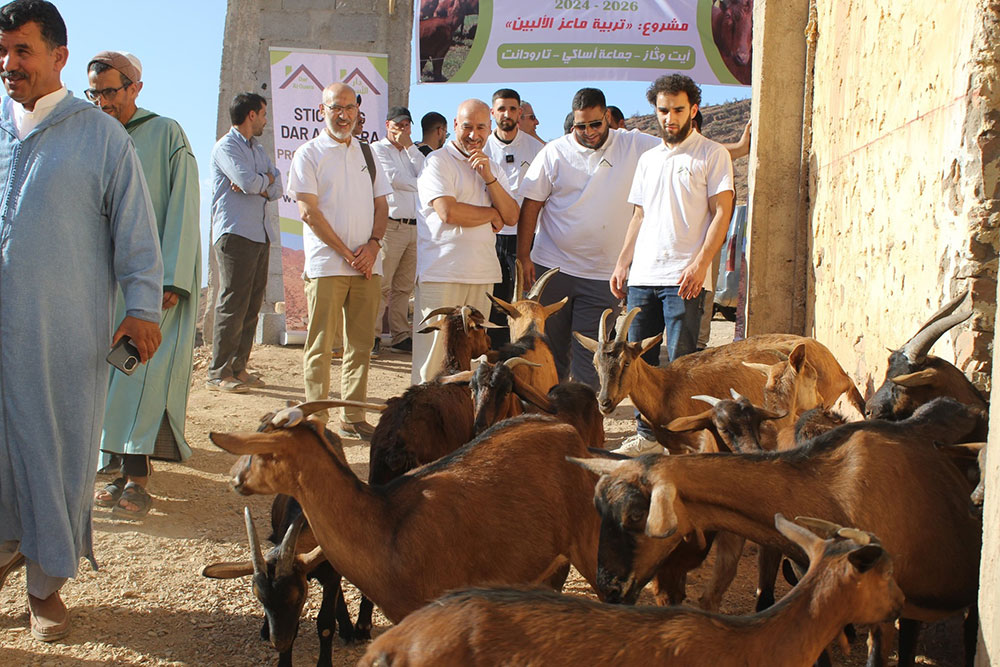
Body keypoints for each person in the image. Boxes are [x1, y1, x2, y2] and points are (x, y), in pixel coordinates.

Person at [0, 0, 163, 641]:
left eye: (23, 51)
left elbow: (137, 234)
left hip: (61, 333)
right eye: (3, 50)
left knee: (59, 450)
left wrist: (142, 309)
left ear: (58, 56)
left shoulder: (101, 137)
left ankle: (46, 586)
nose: (9, 64)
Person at [86, 50, 200, 519]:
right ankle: (111, 472)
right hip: (100, 281)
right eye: (93, 93)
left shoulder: (166, 133)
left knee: (140, 376)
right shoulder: (90, 136)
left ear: (135, 87)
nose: (101, 102)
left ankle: (137, 480)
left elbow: (184, 204)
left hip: (151, 284)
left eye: (109, 91)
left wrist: (168, 277)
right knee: (103, 375)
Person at [609, 74, 734, 456]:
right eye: (663, 110)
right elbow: (639, 216)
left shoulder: (712, 154)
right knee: (636, 363)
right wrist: (622, 262)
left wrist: (700, 265)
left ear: (693, 109)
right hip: (643, 277)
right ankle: (647, 438)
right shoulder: (648, 160)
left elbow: (722, 213)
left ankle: (687, 440)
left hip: (686, 279)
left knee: (684, 366)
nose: (670, 118)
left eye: (678, 109)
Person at [518, 87, 659, 389]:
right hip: (553, 269)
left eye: (595, 124)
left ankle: (583, 430)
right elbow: (531, 205)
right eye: (581, 126)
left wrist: (737, 148)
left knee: (589, 362)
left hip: (601, 276)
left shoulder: (634, 145)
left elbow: (682, 149)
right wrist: (523, 256)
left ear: (608, 117)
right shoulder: (555, 152)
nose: (589, 132)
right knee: (550, 356)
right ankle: (547, 426)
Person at [287, 82, 391, 439]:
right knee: (320, 345)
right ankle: (316, 419)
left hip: (368, 267)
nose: (344, 114)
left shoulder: (368, 153)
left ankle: (353, 415)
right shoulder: (308, 154)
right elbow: (308, 211)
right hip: (328, 266)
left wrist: (373, 246)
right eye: (336, 107)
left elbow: (382, 205)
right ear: (322, 110)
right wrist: (348, 254)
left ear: (358, 111)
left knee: (361, 345)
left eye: (350, 107)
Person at [412, 99, 518, 383]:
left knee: (472, 360)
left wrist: (489, 179)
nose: (474, 135)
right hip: (442, 274)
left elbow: (511, 217)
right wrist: (491, 213)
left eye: (481, 127)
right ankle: (423, 426)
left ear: (489, 128)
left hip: (481, 275)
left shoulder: (492, 167)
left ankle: (461, 422)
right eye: (467, 126)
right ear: (454, 126)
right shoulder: (437, 162)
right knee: (434, 361)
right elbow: (449, 211)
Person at [207, 92, 282, 393]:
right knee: (233, 302)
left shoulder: (257, 149)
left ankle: (239, 368)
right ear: (251, 115)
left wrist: (260, 182)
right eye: (263, 113)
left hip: (259, 233)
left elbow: (277, 184)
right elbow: (252, 182)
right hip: (235, 233)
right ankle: (218, 372)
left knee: (252, 303)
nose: (266, 119)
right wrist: (261, 182)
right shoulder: (226, 146)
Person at [482, 88, 543, 345]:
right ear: (493, 113)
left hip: (526, 236)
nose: (507, 114)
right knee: (495, 298)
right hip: (491, 234)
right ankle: (494, 353)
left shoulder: (538, 148)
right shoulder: (482, 147)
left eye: (512, 109)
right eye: (502, 109)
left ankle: (521, 350)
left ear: (519, 112)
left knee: (523, 298)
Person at [371, 105, 423, 354]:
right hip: (392, 226)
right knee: (382, 284)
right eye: (398, 124)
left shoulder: (411, 152)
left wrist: (411, 146)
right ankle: (372, 336)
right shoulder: (378, 150)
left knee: (404, 286)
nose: (402, 129)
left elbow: (428, 172)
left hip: (415, 227)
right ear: (387, 125)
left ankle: (401, 334)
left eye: (406, 125)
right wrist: (422, 185)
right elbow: (394, 180)